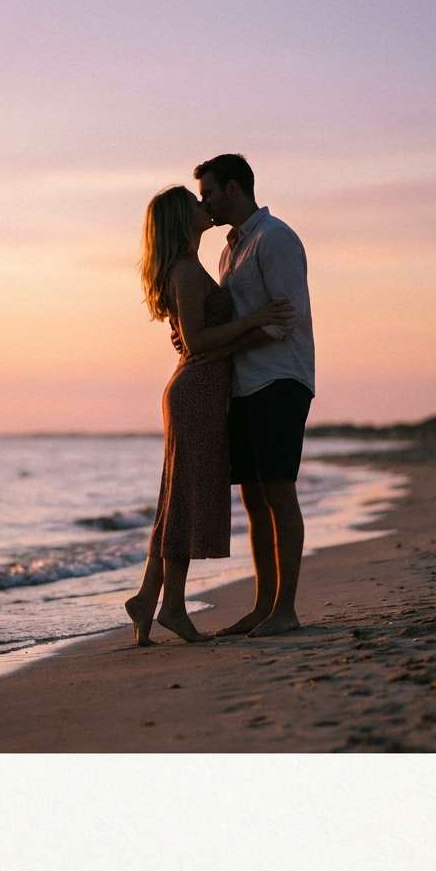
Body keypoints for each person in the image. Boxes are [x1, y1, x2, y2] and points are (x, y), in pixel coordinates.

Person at [125, 186, 297, 645]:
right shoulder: (185, 270)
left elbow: (199, 339)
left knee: (176, 496)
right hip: (197, 390)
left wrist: (247, 337)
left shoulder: (196, 265)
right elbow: (200, 342)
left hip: (199, 385)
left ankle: (148, 598)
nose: (207, 208)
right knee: (184, 497)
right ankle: (173, 608)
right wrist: (255, 322)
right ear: (184, 219)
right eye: (197, 204)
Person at [194, 154, 315, 637]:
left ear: (233, 188)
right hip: (245, 383)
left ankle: (286, 609)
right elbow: (242, 316)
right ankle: (264, 606)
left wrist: (230, 343)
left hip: (280, 378)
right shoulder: (230, 249)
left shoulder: (275, 238)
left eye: (208, 193)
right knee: (252, 497)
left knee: (279, 491)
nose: (204, 203)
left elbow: (285, 320)